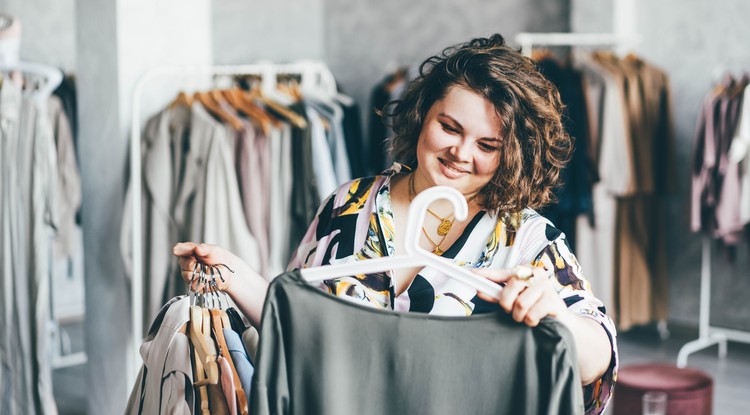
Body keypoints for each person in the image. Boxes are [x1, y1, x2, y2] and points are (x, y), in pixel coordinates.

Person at [173, 34, 617, 414]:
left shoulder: (528, 242)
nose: (460, 153)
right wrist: (236, 277)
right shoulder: (347, 205)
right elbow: (298, 324)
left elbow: (599, 360)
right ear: (424, 114)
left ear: (513, 154)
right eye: (449, 126)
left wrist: (558, 316)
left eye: (487, 144)